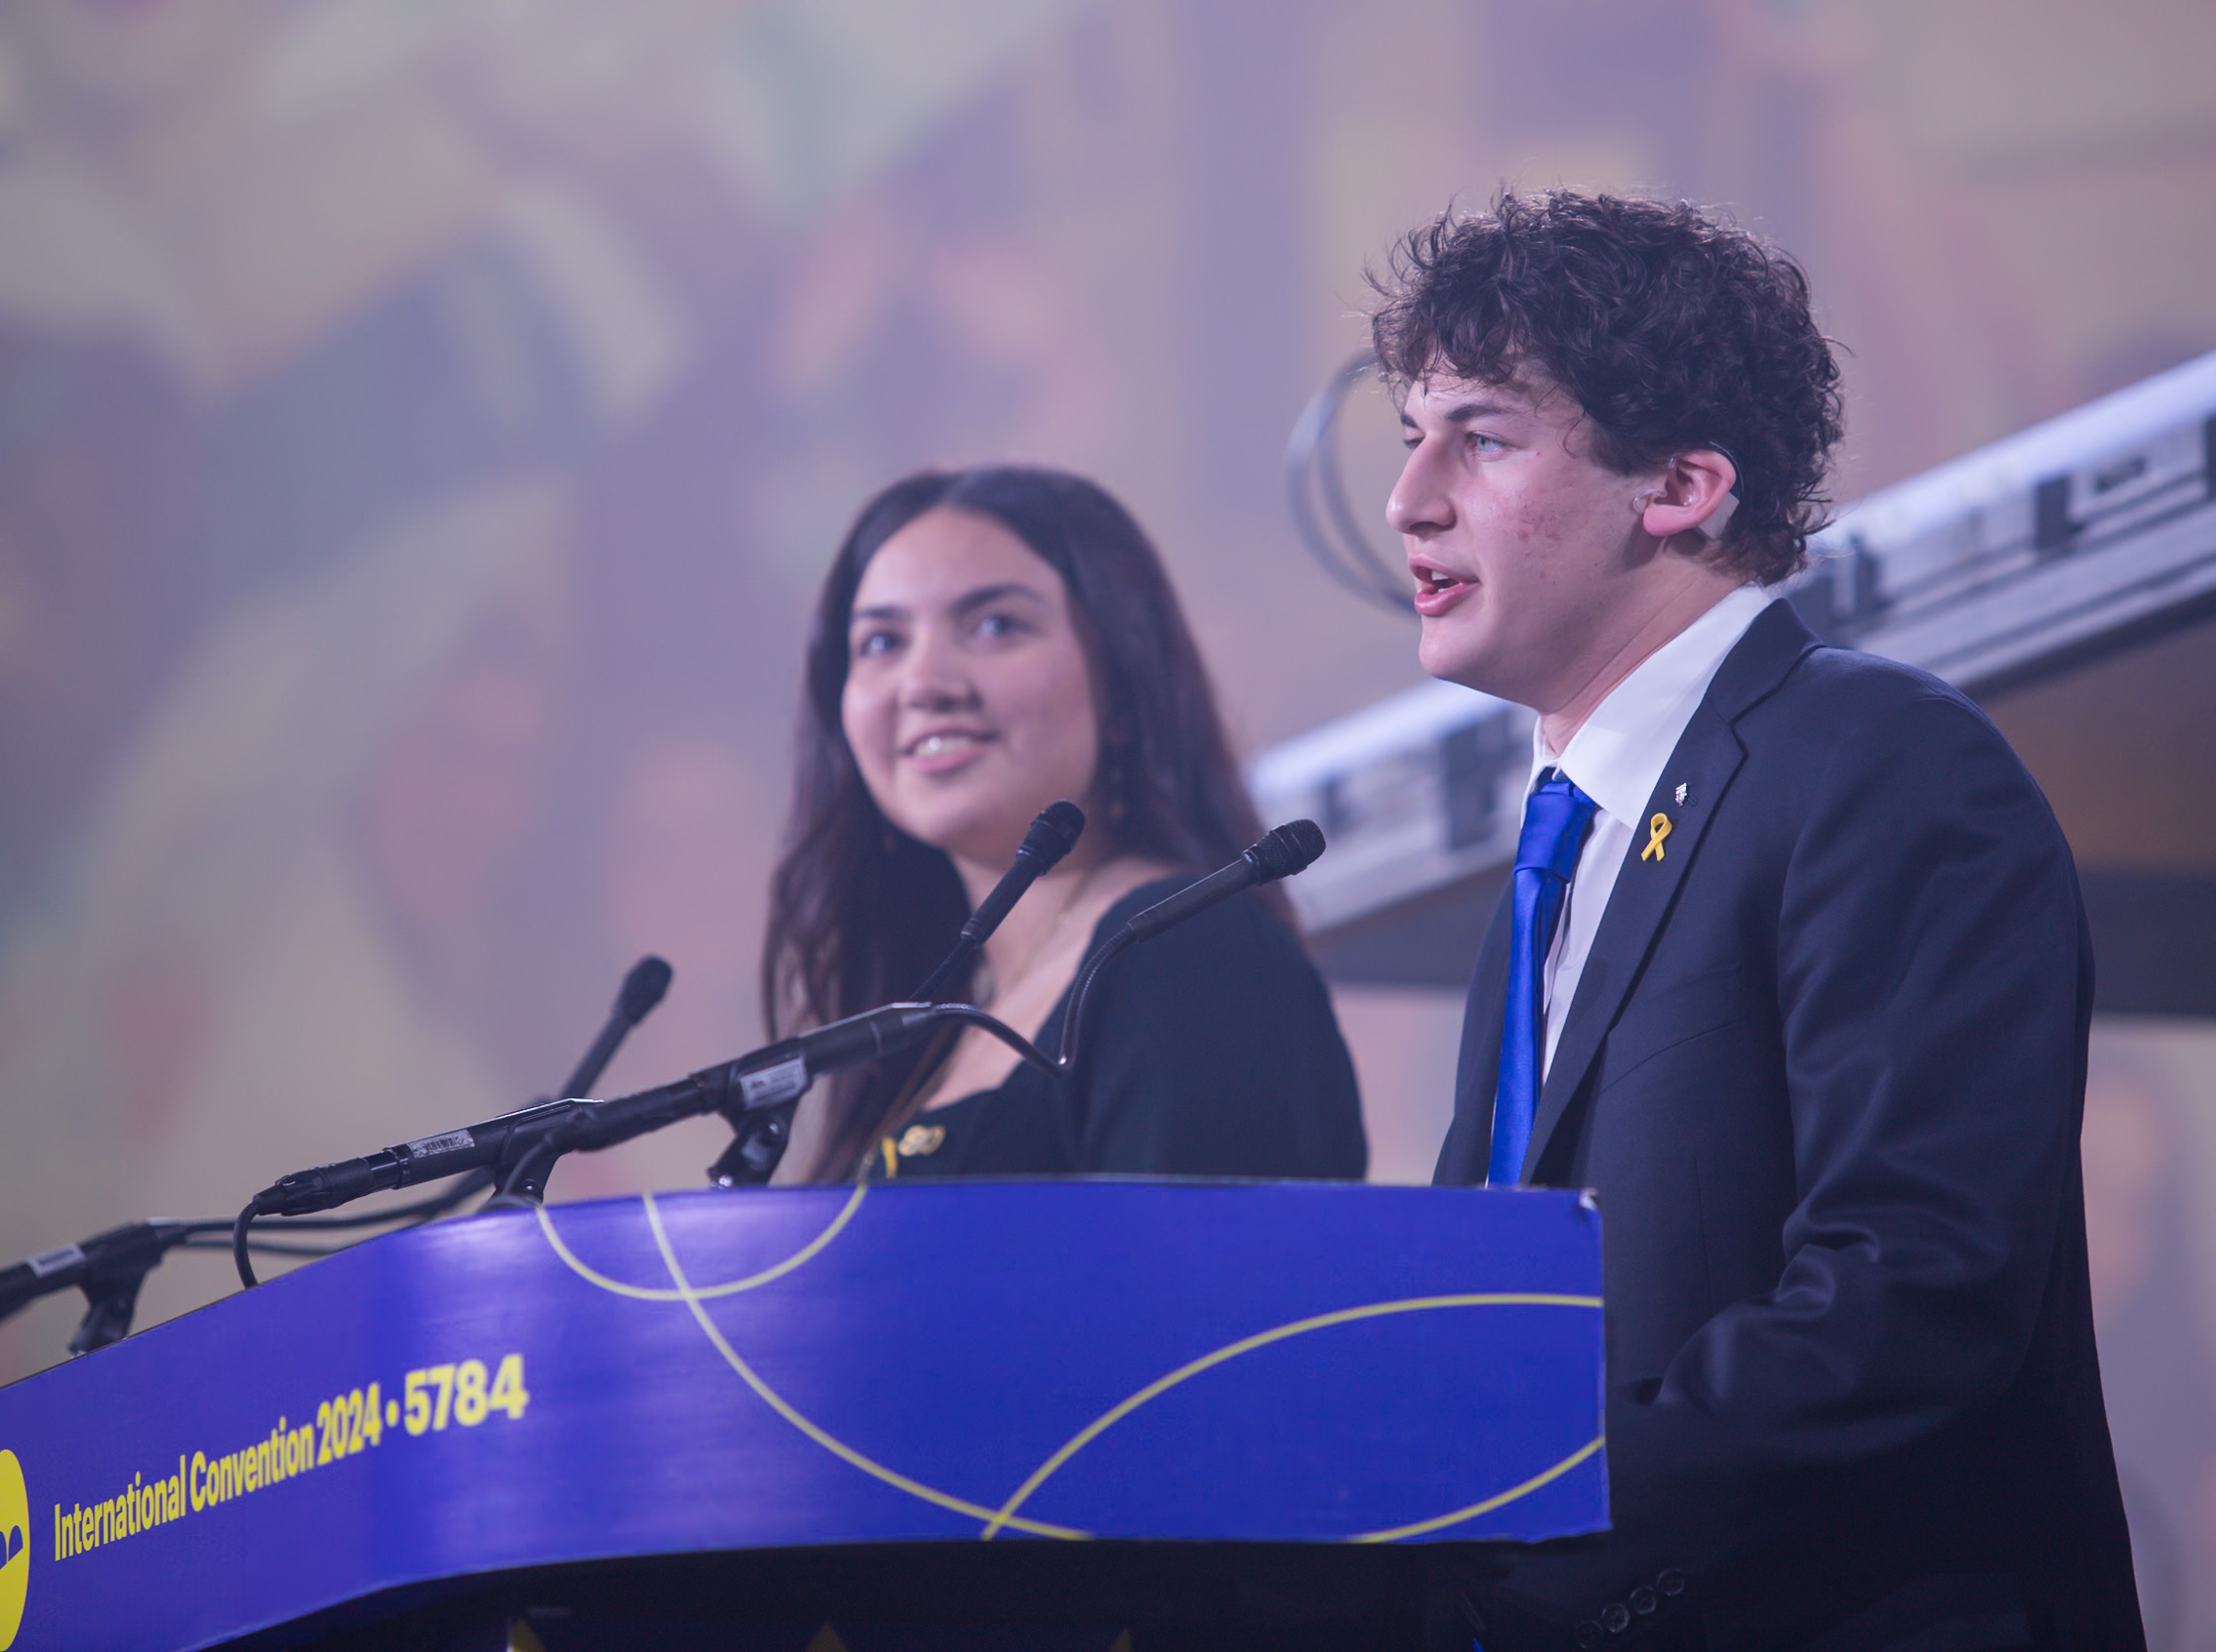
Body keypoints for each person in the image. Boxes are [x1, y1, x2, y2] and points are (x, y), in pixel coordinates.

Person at [1377, 193, 2143, 1650]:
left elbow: (1910, 1288)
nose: (1411, 498)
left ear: (1677, 484)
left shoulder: (1884, 762)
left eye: (1479, 436)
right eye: (1409, 437)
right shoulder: (1554, 857)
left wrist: (1530, 1540)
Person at [763, 465, 1367, 1184]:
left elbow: (1205, 1290)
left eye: (995, 626)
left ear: (1121, 685)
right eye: (882, 643)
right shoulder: (939, 1013)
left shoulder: (1177, 948)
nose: (924, 684)